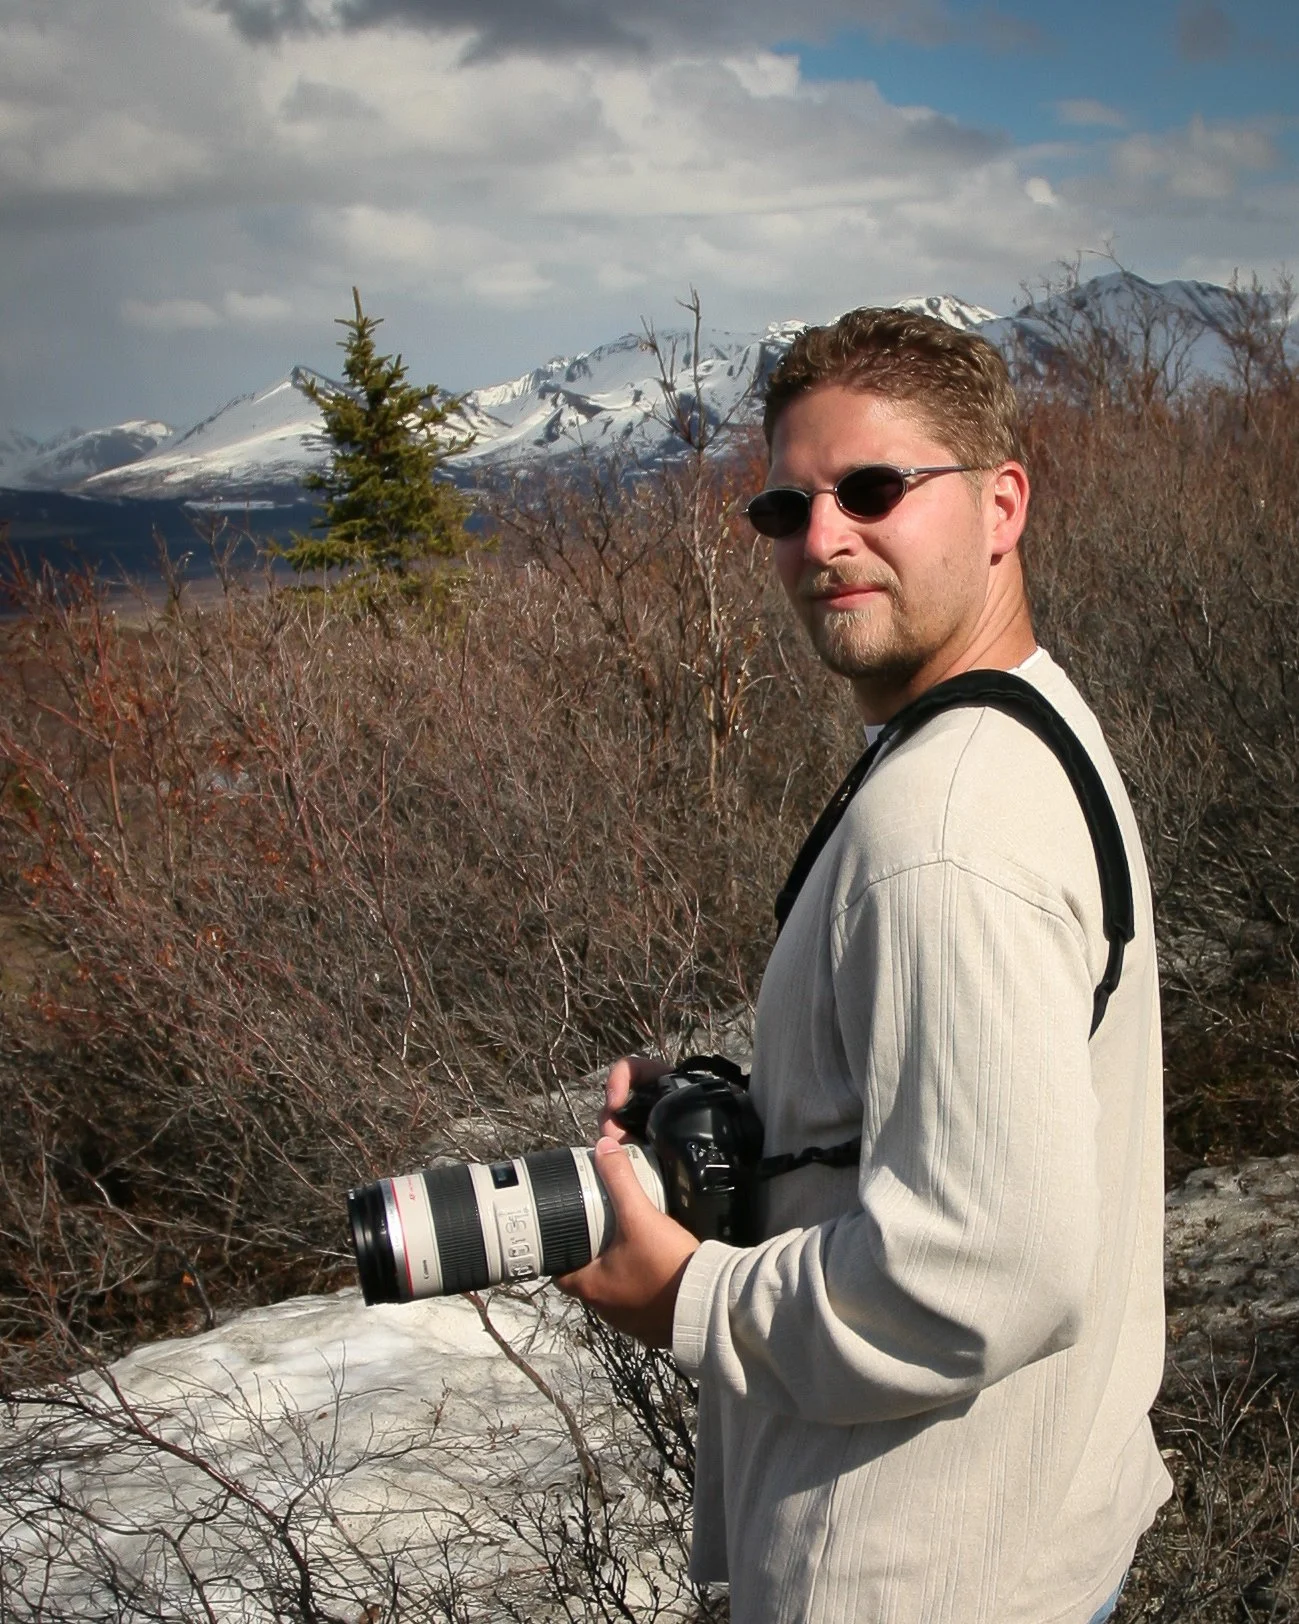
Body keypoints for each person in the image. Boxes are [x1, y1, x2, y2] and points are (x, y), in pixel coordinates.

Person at [556, 308, 1171, 1624]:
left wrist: (685, 1294)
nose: (821, 538)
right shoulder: (1021, 728)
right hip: (1030, 1538)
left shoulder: (941, 832)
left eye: (875, 489)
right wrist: (760, 1133)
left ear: (1000, 504)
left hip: (925, 1578)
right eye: (786, 505)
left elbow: (982, 1268)